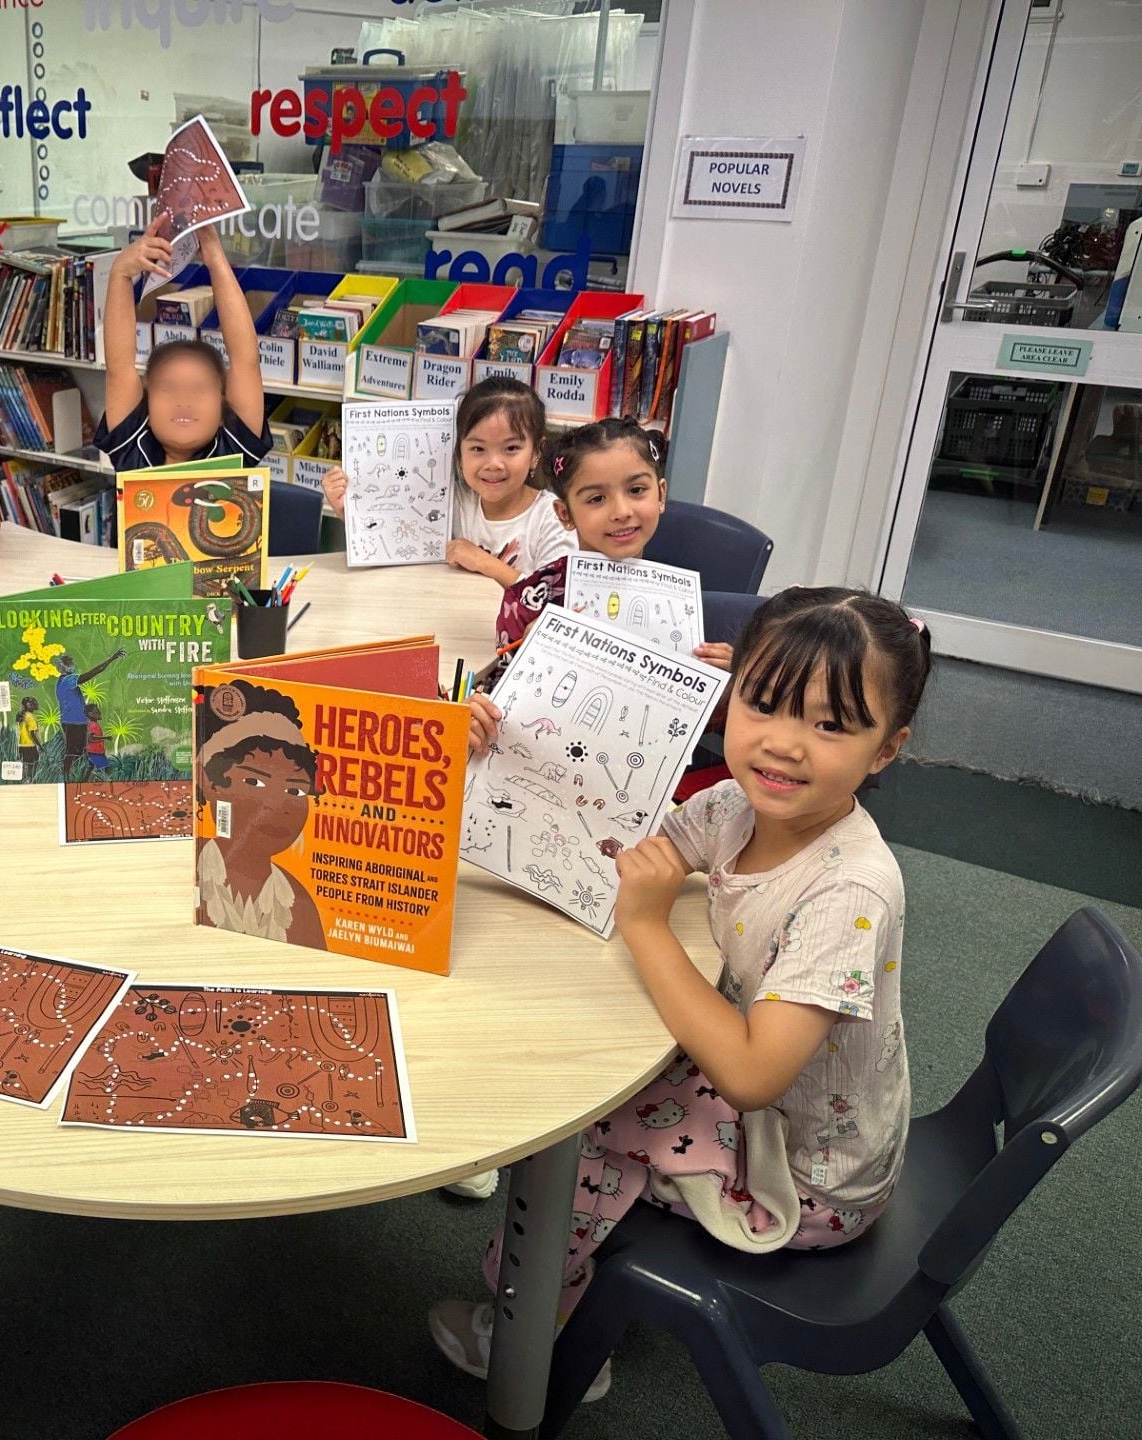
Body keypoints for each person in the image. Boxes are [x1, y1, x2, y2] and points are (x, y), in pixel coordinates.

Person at [431, 587, 932, 1402]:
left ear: (887, 750)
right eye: (763, 703)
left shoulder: (850, 890)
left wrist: (648, 925)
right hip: (778, 1103)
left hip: (805, 1177)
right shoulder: (738, 805)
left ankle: (540, 1338)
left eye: (831, 724)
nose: (783, 744)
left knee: (581, 1122)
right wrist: (489, 754)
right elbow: (613, 847)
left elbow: (752, 1075)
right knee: (588, 1062)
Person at [466, 417, 732, 761]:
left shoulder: (677, 610)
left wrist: (725, 686)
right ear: (564, 514)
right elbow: (496, 714)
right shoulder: (528, 601)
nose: (621, 511)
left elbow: (686, 728)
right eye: (596, 498)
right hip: (545, 764)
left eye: (636, 490)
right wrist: (530, 660)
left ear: (661, 494)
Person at [320, 377, 575, 586]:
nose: (493, 463)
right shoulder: (452, 500)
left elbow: (554, 599)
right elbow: (397, 541)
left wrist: (486, 563)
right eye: (478, 449)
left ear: (536, 452)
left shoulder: (553, 518)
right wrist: (349, 512)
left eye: (511, 448)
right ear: (459, 453)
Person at [97, 224, 269, 469]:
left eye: (200, 388)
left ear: (223, 408)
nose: (184, 399)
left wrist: (215, 258)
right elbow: (119, 367)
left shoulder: (233, 452)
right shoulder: (132, 447)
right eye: (168, 387)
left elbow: (246, 360)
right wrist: (121, 273)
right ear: (146, 405)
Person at [194, 678, 325, 950]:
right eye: (254, 782)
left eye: (295, 791)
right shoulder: (195, 872)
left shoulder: (298, 903)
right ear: (211, 784)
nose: (278, 805)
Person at [52, 647, 125, 778]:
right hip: (73, 722)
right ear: (64, 666)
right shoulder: (68, 680)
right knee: (73, 752)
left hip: (76, 721)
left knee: (81, 752)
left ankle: (81, 775)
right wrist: (110, 659)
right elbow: (92, 673)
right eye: (70, 663)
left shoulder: (62, 681)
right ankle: (65, 775)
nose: (73, 665)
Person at [16, 694, 44, 780]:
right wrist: (40, 746)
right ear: (28, 705)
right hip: (30, 746)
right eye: (32, 702)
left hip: (21, 745)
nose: (35, 703)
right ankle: (30, 780)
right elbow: (32, 734)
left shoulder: (22, 715)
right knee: (33, 765)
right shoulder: (30, 717)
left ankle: (26, 780)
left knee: (25, 765)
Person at [84, 702, 109, 774]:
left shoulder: (92, 724)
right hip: (95, 753)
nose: (100, 713)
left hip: (95, 752)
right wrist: (105, 737)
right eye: (97, 711)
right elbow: (91, 738)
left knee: (92, 769)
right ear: (91, 714)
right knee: (104, 769)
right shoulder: (93, 725)